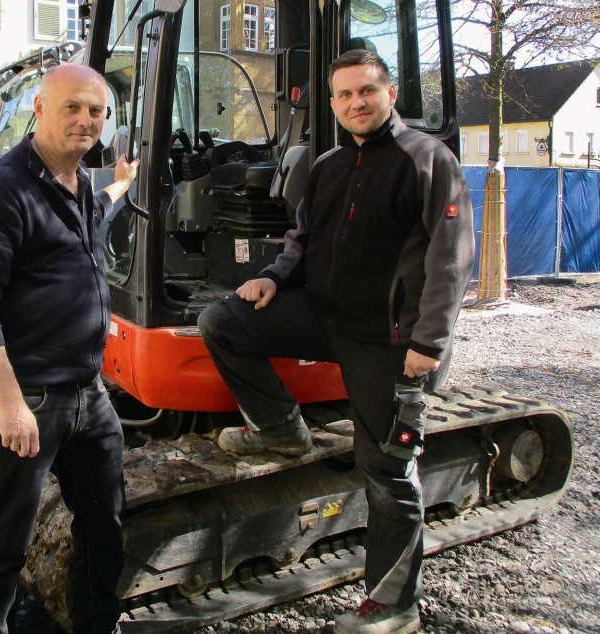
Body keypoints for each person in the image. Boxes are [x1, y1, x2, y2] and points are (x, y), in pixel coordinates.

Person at [198, 49, 474, 634]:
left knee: (388, 470)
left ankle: (394, 606)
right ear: (332, 103)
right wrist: (272, 278)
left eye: (366, 92)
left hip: (386, 338)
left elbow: (450, 260)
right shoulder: (326, 165)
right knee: (222, 322)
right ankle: (280, 430)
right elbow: (301, 240)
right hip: (322, 317)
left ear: (390, 93)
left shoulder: (428, 160)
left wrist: (430, 341)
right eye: (344, 95)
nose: (356, 103)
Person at [0, 63, 138, 634]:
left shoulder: (79, 184)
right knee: (5, 539)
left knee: (104, 526)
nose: (85, 120)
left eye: (96, 111)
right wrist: (9, 402)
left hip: (88, 395)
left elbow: (96, 212)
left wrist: (122, 185)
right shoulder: (0, 189)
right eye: (72, 108)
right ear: (38, 109)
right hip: (27, 397)